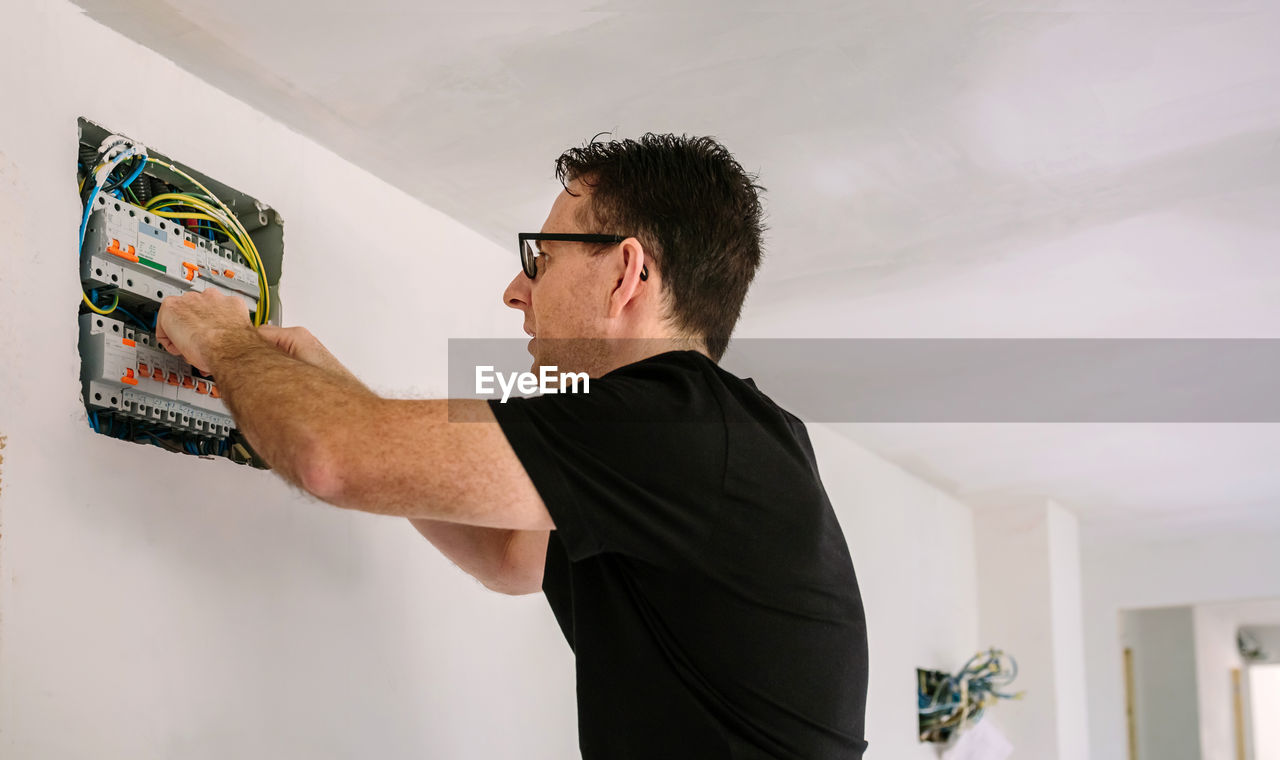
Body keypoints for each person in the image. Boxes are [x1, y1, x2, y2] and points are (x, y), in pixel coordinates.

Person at [156, 133, 869, 759]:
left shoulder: (674, 427)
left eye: (541, 259)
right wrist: (335, 384)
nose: (514, 290)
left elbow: (330, 457)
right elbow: (510, 556)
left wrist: (222, 341)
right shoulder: (705, 441)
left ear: (625, 274)